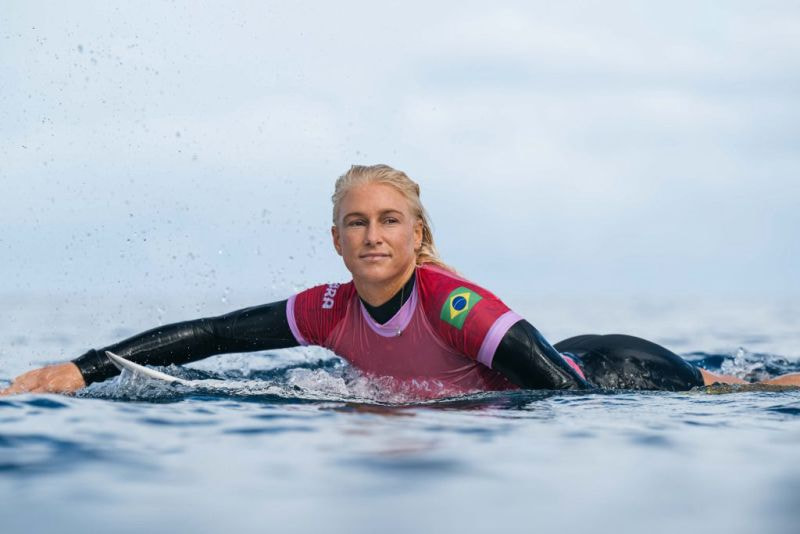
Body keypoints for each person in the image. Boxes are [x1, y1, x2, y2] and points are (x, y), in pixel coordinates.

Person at [2, 164, 798, 397]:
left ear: (417, 237)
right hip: (562, 366)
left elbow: (569, 400)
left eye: (389, 220)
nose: (372, 234)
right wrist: (81, 368)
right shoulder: (325, 310)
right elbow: (211, 337)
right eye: (357, 222)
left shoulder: (456, 303)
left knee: (738, 389)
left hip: (620, 373)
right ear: (337, 242)